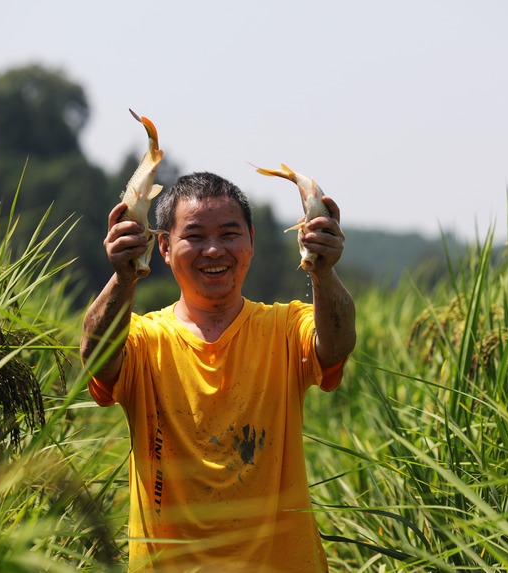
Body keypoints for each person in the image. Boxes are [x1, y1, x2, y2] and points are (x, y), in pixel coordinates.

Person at [81, 171, 356, 571]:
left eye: (229, 234)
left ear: (251, 243)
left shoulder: (285, 327)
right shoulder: (143, 339)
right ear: (164, 246)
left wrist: (323, 269)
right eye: (194, 236)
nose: (214, 250)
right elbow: (96, 356)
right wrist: (124, 275)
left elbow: (337, 343)